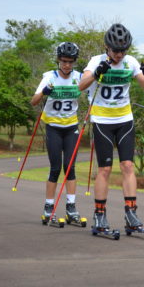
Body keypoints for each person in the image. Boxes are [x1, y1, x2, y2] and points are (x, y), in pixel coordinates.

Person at [78, 23, 144, 232]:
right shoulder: (96, 61)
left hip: (124, 120)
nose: (119, 55)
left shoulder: (130, 62)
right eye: (115, 50)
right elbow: (80, 86)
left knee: (128, 166)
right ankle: (100, 215)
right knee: (105, 169)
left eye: (123, 50)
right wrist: (96, 73)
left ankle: (131, 213)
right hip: (102, 121)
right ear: (106, 48)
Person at [30, 42, 83, 225]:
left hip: (71, 127)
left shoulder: (79, 77)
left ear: (74, 62)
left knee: (70, 167)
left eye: (70, 62)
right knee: (55, 168)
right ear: (58, 60)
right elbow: (34, 101)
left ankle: (71, 207)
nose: (66, 65)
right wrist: (45, 92)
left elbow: (93, 95)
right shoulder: (49, 77)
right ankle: (48, 208)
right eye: (63, 61)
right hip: (53, 127)